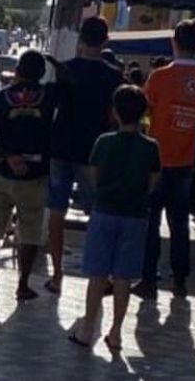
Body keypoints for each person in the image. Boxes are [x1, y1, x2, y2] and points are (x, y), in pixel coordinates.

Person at [71, 84, 161, 351]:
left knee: (97, 274)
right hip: (135, 216)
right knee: (123, 277)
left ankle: (87, 330)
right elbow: (153, 183)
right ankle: (117, 332)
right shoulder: (151, 147)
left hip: (105, 212)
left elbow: (94, 177)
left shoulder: (104, 142)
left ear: (115, 113)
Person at [134, 19, 195, 300]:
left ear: (174, 42)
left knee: (151, 223)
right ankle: (180, 280)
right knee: (180, 225)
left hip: (156, 159)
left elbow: (145, 112)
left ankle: (148, 279)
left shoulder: (159, 77)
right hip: (185, 162)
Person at [45, 16, 125, 294]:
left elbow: (51, 108)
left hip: (60, 148)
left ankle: (57, 274)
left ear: (80, 39)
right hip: (94, 151)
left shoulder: (65, 69)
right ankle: (98, 275)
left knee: (57, 210)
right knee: (98, 215)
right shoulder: (114, 77)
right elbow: (116, 118)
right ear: (105, 41)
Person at [0, 50, 62, 301]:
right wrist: (56, 63)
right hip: (35, 176)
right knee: (31, 233)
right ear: (42, 73)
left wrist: (6, 156)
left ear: (17, 71)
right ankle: (22, 285)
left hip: (3, 173)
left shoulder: (1, 98)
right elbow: (71, 84)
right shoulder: (49, 97)